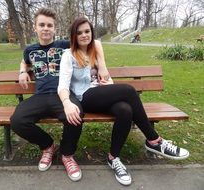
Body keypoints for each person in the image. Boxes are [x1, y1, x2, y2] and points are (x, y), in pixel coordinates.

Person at [58, 17, 190, 186]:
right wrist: (67, 102)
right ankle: (154, 140)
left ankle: (113, 157)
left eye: (87, 31)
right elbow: (62, 85)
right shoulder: (68, 55)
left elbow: (99, 51)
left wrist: (103, 66)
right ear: (73, 36)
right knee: (128, 90)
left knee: (125, 110)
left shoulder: (95, 51)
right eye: (79, 33)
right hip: (86, 97)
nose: (84, 35)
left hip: (103, 94)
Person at [10, 8, 106, 182]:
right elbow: (24, 61)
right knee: (17, 120)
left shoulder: (64, 45)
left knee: (76, 113)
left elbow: (95, 43)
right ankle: (48, 146)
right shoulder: (30, 50)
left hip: (62, 94)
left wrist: (103, 65)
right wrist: (22, 71)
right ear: (35, 27)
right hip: (40, 96)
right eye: (42, 25)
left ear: (54, 28)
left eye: (49, 25)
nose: (46, 28)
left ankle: (67, 154)